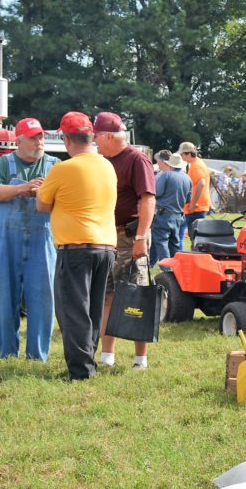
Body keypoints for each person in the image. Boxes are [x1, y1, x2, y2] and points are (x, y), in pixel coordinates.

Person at [36, 112, 117, 381]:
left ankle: (81, 372)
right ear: (91, 137)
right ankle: (87, 363)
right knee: (93, 309)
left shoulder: (62, 169)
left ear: (66, 139)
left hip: (76, 247)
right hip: (106, 246)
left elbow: (42, 204)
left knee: (73, 311)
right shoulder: (107, 166)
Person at [0, 116, 58, 361]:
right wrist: (21, 189)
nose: (39, 142)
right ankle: (7, 353)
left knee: (42, 296)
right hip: (6, 239)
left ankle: (37, 355)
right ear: (19, 141)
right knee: (4, 296)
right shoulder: (4, 164)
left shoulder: (55, 165)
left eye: (41, 137)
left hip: (42, 237)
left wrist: (43, 192)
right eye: (33, 138)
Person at [92, 112, 156, 370]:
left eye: (96, 136)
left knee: (137, 296)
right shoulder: (103, 161)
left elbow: (148, 199)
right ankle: (107, 356)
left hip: (130, 236)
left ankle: (141, 360)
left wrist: (140, 237)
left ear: (109, 136)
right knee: (108, 295)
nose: (94, 141)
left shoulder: (136, 159)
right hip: (108, 235)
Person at [151, 151, 191, 267]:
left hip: (164, 214)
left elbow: (157, 192)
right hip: (178, 215)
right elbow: (188, 199)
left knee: (161, 241)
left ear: (170, 164)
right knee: (175, 244)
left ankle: (167, 270)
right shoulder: (187, 178)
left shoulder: (166, 175)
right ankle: (178, 269)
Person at [179, 142, 211, 240]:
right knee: (198, 238)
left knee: (195, 239)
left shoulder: (195, 166)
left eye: (182, 154)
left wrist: (193, 204)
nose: (181, 156)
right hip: (200, 207)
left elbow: (201, 183)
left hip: (196, 208)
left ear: (188, 153)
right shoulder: (199, 162)